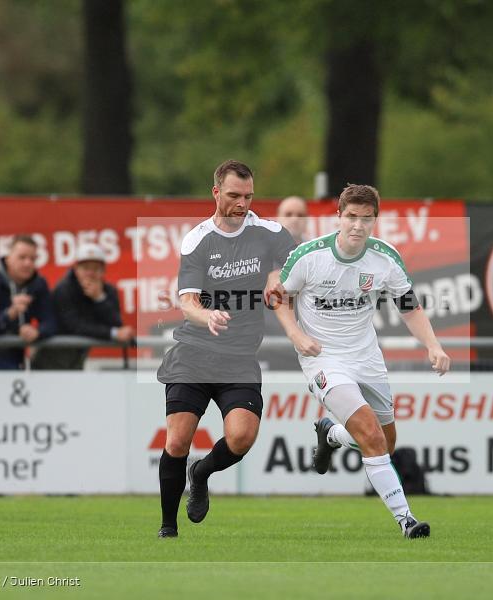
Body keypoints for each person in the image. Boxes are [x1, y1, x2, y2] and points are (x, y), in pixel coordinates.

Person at [274, 183, 450, 539]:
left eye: (366, 219)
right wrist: (295, 335)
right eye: (351, 217)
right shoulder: (310, 256)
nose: (357, 226)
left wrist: (433, 345)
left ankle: (332, 435)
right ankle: (406, 520)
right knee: (370, 434)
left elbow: (409, 307)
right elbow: (280, 297)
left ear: (374, 221)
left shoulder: (385, 258)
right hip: (324, 360)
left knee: (385, 441)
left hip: (367, 358)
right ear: (338, 217)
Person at [155, 160, 296, 538]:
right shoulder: (197, 239)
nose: (242, 203)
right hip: (195, 354)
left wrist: (275, 277)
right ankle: (168, 528)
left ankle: (200, 473)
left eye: (248, 196)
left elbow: (286, 261)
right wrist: (208, 316)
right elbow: (187, 302)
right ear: (216, 192)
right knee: (177, 440)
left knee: (241, 439)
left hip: (239, 358)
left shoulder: (269, 232)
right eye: (234, 195)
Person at [31, 243, 132, 370]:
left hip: (77, 358)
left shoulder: (107, 291)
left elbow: (116, 322)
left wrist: (99, 299)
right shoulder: (63, 289)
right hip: (49, 358)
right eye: (85, 268)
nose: (90, 273)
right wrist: (113, 333)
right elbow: (75, 326)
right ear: (76, 269)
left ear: (103, 270)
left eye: (95, 268)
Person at [0, 235, 57, 369]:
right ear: (8, 259)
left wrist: (37, 332)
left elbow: (51, 321)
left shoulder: (38, 284)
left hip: (17, 362)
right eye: (22, 257)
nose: (28, 263)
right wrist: (8, 315)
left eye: (32, 259)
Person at [259, 196, 310, 370]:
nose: (295, 218)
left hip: (307, 350)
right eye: (289, 214)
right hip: (267, 349)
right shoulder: (258, 255)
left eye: (300, 214)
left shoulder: (316, 257)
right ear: (278, 218)